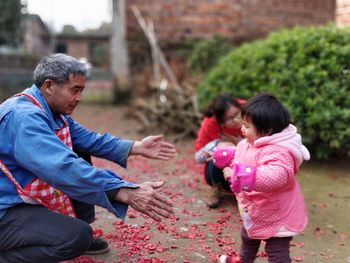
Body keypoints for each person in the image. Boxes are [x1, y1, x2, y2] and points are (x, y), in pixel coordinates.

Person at [0, 53, 177, 263]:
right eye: (75, 90)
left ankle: (61, 227)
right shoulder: (25, 117)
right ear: (49, 86)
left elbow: (90, 140)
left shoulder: (51, 111)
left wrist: (136, 147)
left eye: (81, 90)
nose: (79, 98)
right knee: (76, 237)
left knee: (80, 152)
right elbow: (63, 168)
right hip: (6, 208)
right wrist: (123, 191)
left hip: (19, 197)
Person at [218, 93, 310, 263]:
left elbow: (275, 176)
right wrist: (230, 158)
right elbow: (247, 158)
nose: (241, 129)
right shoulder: (251, 142)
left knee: (276, 251)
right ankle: (243, 260)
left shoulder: (279, 151)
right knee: (248, 237)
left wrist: (238, 174)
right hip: (257, 209)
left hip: (277, 213)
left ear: (266, 131)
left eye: (246, 126)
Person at [194, 93, 244, 208]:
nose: (237, 120)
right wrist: (217, 145)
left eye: (237, 114)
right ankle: (217, 189)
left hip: (245, 171)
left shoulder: (250, 111)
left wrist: (239, 143)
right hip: (221, 175)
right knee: (220, 152)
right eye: (230, 118)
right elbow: (198, 157)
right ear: (220, 122)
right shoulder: (210, 124)